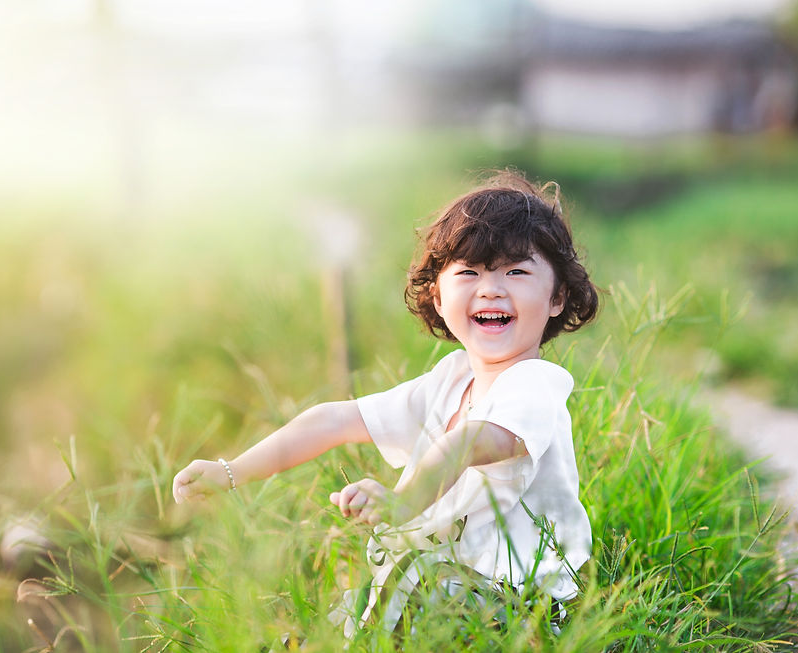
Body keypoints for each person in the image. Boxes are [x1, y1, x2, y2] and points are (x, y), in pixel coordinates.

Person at [171, 169, 600, 639]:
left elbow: (470, 442)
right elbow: (335, 419)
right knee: (372, 584)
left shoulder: (535, 384)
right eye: (469, 273)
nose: (491, 289)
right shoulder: (450, 380)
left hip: (526, 605)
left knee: (409, 572)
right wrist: (231, 471)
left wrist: (401, 504)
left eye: (516, 271)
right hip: (452, 587)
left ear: (557, 297)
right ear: (437, 296)